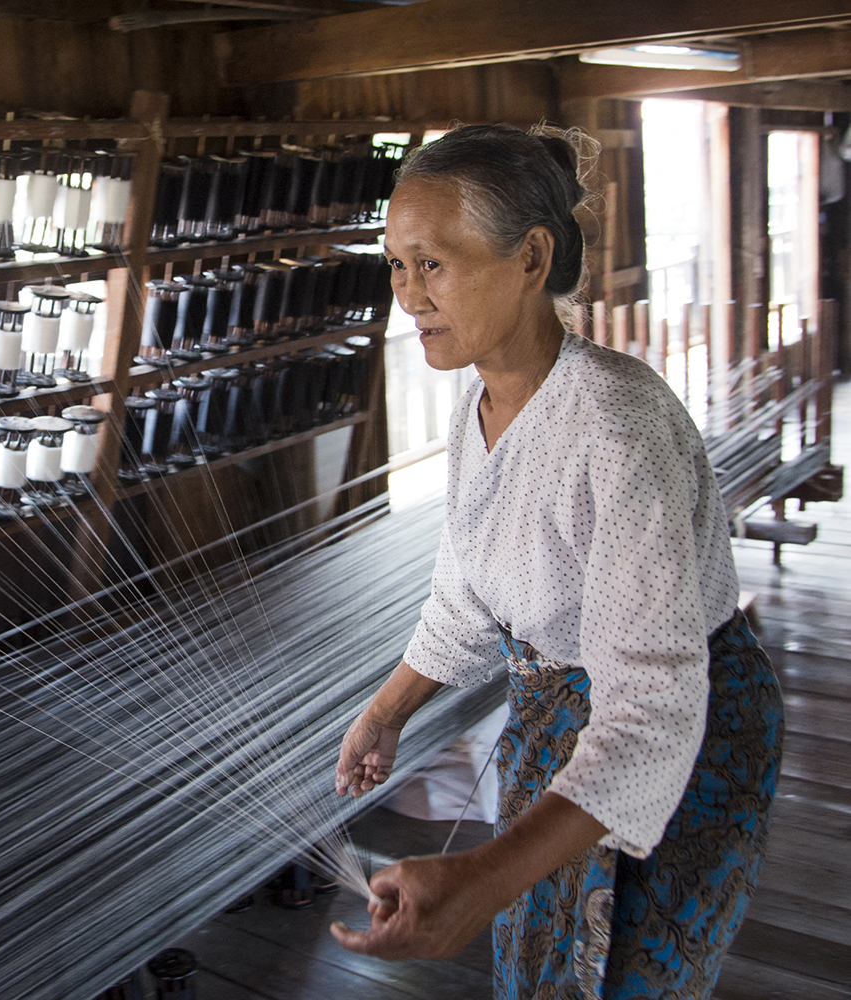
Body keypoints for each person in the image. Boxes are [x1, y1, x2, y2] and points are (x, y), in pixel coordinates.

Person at [329, 124, 783, 999]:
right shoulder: (479, 411)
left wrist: (482, 880)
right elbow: (469, 595)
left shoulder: (616, 428)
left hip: (683, 733)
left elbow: (651, 707)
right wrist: (387, 712)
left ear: (532, 257)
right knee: (539, 972)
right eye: (394, 266)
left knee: (619, 979)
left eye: (431, 264)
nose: (407, 296)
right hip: (561, 725)